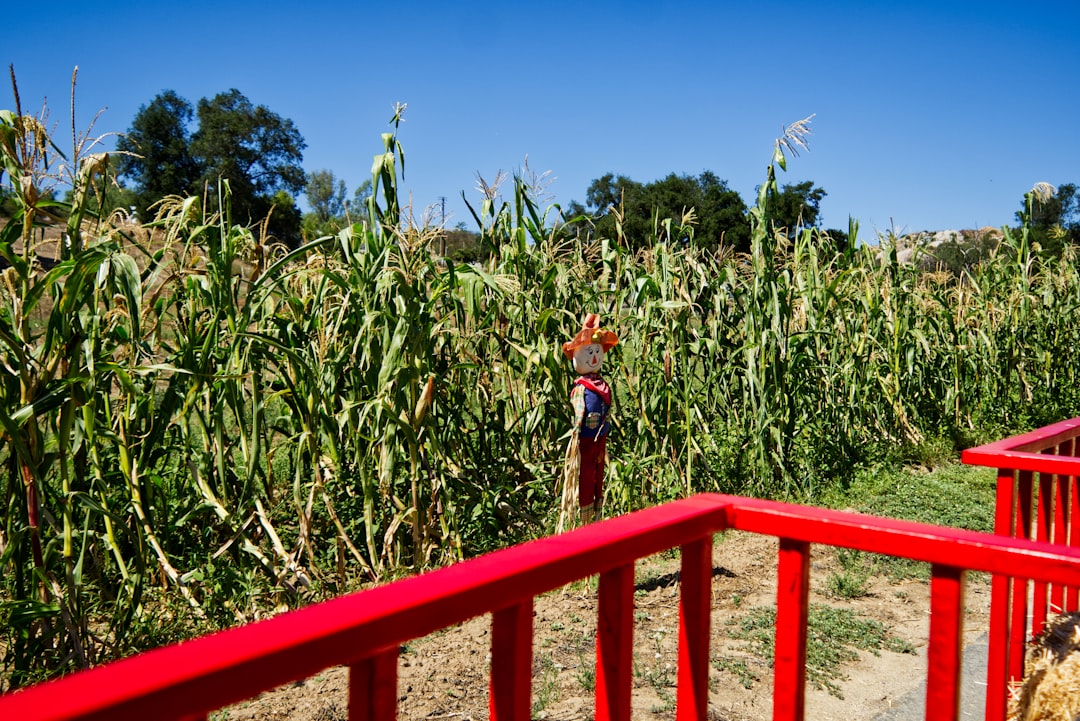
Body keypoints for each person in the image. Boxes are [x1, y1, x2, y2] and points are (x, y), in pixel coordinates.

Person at [558, 314, 618, 530]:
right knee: (585, 476)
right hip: (585, 440)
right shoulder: (581, 388)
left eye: (596, 352)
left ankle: (596, 514)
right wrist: (576, 432)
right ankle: (584, 519)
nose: (594, 357)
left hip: (599, 437)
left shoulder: (601, 384)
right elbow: (579, 412)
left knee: (597, 473)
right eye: (588, 352)